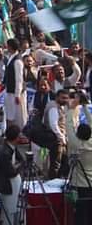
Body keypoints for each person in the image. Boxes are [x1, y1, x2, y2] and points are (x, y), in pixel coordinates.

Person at [66, 92, 92, 225]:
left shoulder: (76, 144)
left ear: (78, 134)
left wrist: (72, 108)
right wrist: (85, 106)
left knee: (80, 216)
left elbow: (69, 125)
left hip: (80, 185)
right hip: (91, 184)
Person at [0, 125, 24, 225]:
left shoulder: (12, 148)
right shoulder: (4, 152)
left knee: (17, 210)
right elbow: (11, 172)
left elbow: (22, 161)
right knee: (8, 213)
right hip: (8, 186)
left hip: (15, 185)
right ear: (16, 138)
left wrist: (16, 166)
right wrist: (17, 166)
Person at [4, 39, 27, 129]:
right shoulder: (11, 58)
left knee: (19, 115)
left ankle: (20, 131)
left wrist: (17, 95)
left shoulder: (17, 61)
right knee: (11, 114)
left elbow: (19, 79)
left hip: (16, 93)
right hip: (10, 91)